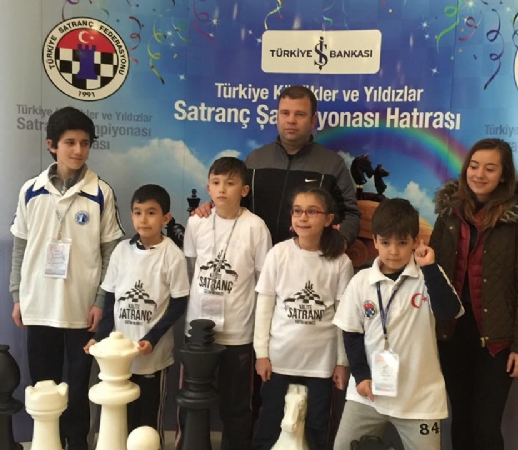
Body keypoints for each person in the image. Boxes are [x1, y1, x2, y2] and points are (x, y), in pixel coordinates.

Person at [9, 106, 123, 450]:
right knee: (44, 387)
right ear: (52, 145)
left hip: (81, 309)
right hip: (38, 305)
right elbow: (20, 246)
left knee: (77, 386)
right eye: (70, 142)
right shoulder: (31, 190)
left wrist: (100, 302)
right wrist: (17, 295)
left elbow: (111, 253)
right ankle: (49, 443)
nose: (78, 150)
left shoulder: (100, 192)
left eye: (85, 143)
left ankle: (77, 444)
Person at [429, 138, 518, 450]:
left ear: (503, 176)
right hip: (452, 334)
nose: (479, 174)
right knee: (461, 419)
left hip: (497, 339)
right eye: (474, 166)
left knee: (485, 426)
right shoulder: (449, 213)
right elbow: (433, 274)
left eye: (490, 168)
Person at [332, 198, 464, 450]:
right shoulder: (361, 281)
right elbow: (351, 333)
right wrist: (360, 376)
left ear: (416, 242)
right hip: (368, 394)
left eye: (402, 243)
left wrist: (430, 268)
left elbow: (448, 312)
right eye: (385, 242)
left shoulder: (428, 276)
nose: (393, 251)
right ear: (374, 241)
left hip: (419, 399)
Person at [83, 184, 190, 446]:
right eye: (138, 212)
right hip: (120, 359)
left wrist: (152, 339)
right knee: (121, 417)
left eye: (151, 213)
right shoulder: (121, 251)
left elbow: (178, 304)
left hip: (152, 358)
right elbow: (110, 300)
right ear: (131, 215)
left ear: (166, 218)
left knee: (147, 422)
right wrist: (99, 338)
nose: (143, 219)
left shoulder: (173, 256)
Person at [253, 186, 354, 450]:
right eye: (297, 211)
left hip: (321, 363)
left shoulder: (340, 262)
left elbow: (344, 317)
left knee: (316, 427)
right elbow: (264, 308)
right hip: (279, 360)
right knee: (270, 423)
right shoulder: (279, 254)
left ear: (328, 219)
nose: (303, 218)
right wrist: (261, 354)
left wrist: (341, 362)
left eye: (312, 211)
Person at [196, 85, 360, 246]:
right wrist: (213, 206)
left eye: (300, 114)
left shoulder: (332, 165)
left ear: (313, 120)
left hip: (309, 259)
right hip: (255, 258)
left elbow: (351, 215)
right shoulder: (255, 159)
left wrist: (338, 243)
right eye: (285, 113)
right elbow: (234, 201)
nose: (291, 120)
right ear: (277, 116)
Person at [182, 157, 272, 450]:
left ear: (244, 190)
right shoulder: (196, 221)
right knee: (193, 401)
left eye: (230, 183)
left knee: (236, 407)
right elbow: (190, 269)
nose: (222, 189)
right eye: (216, 182)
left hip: (237, 333)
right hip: (198, 333)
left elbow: (263, 283)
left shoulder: (256, 227)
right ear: (208, 187)